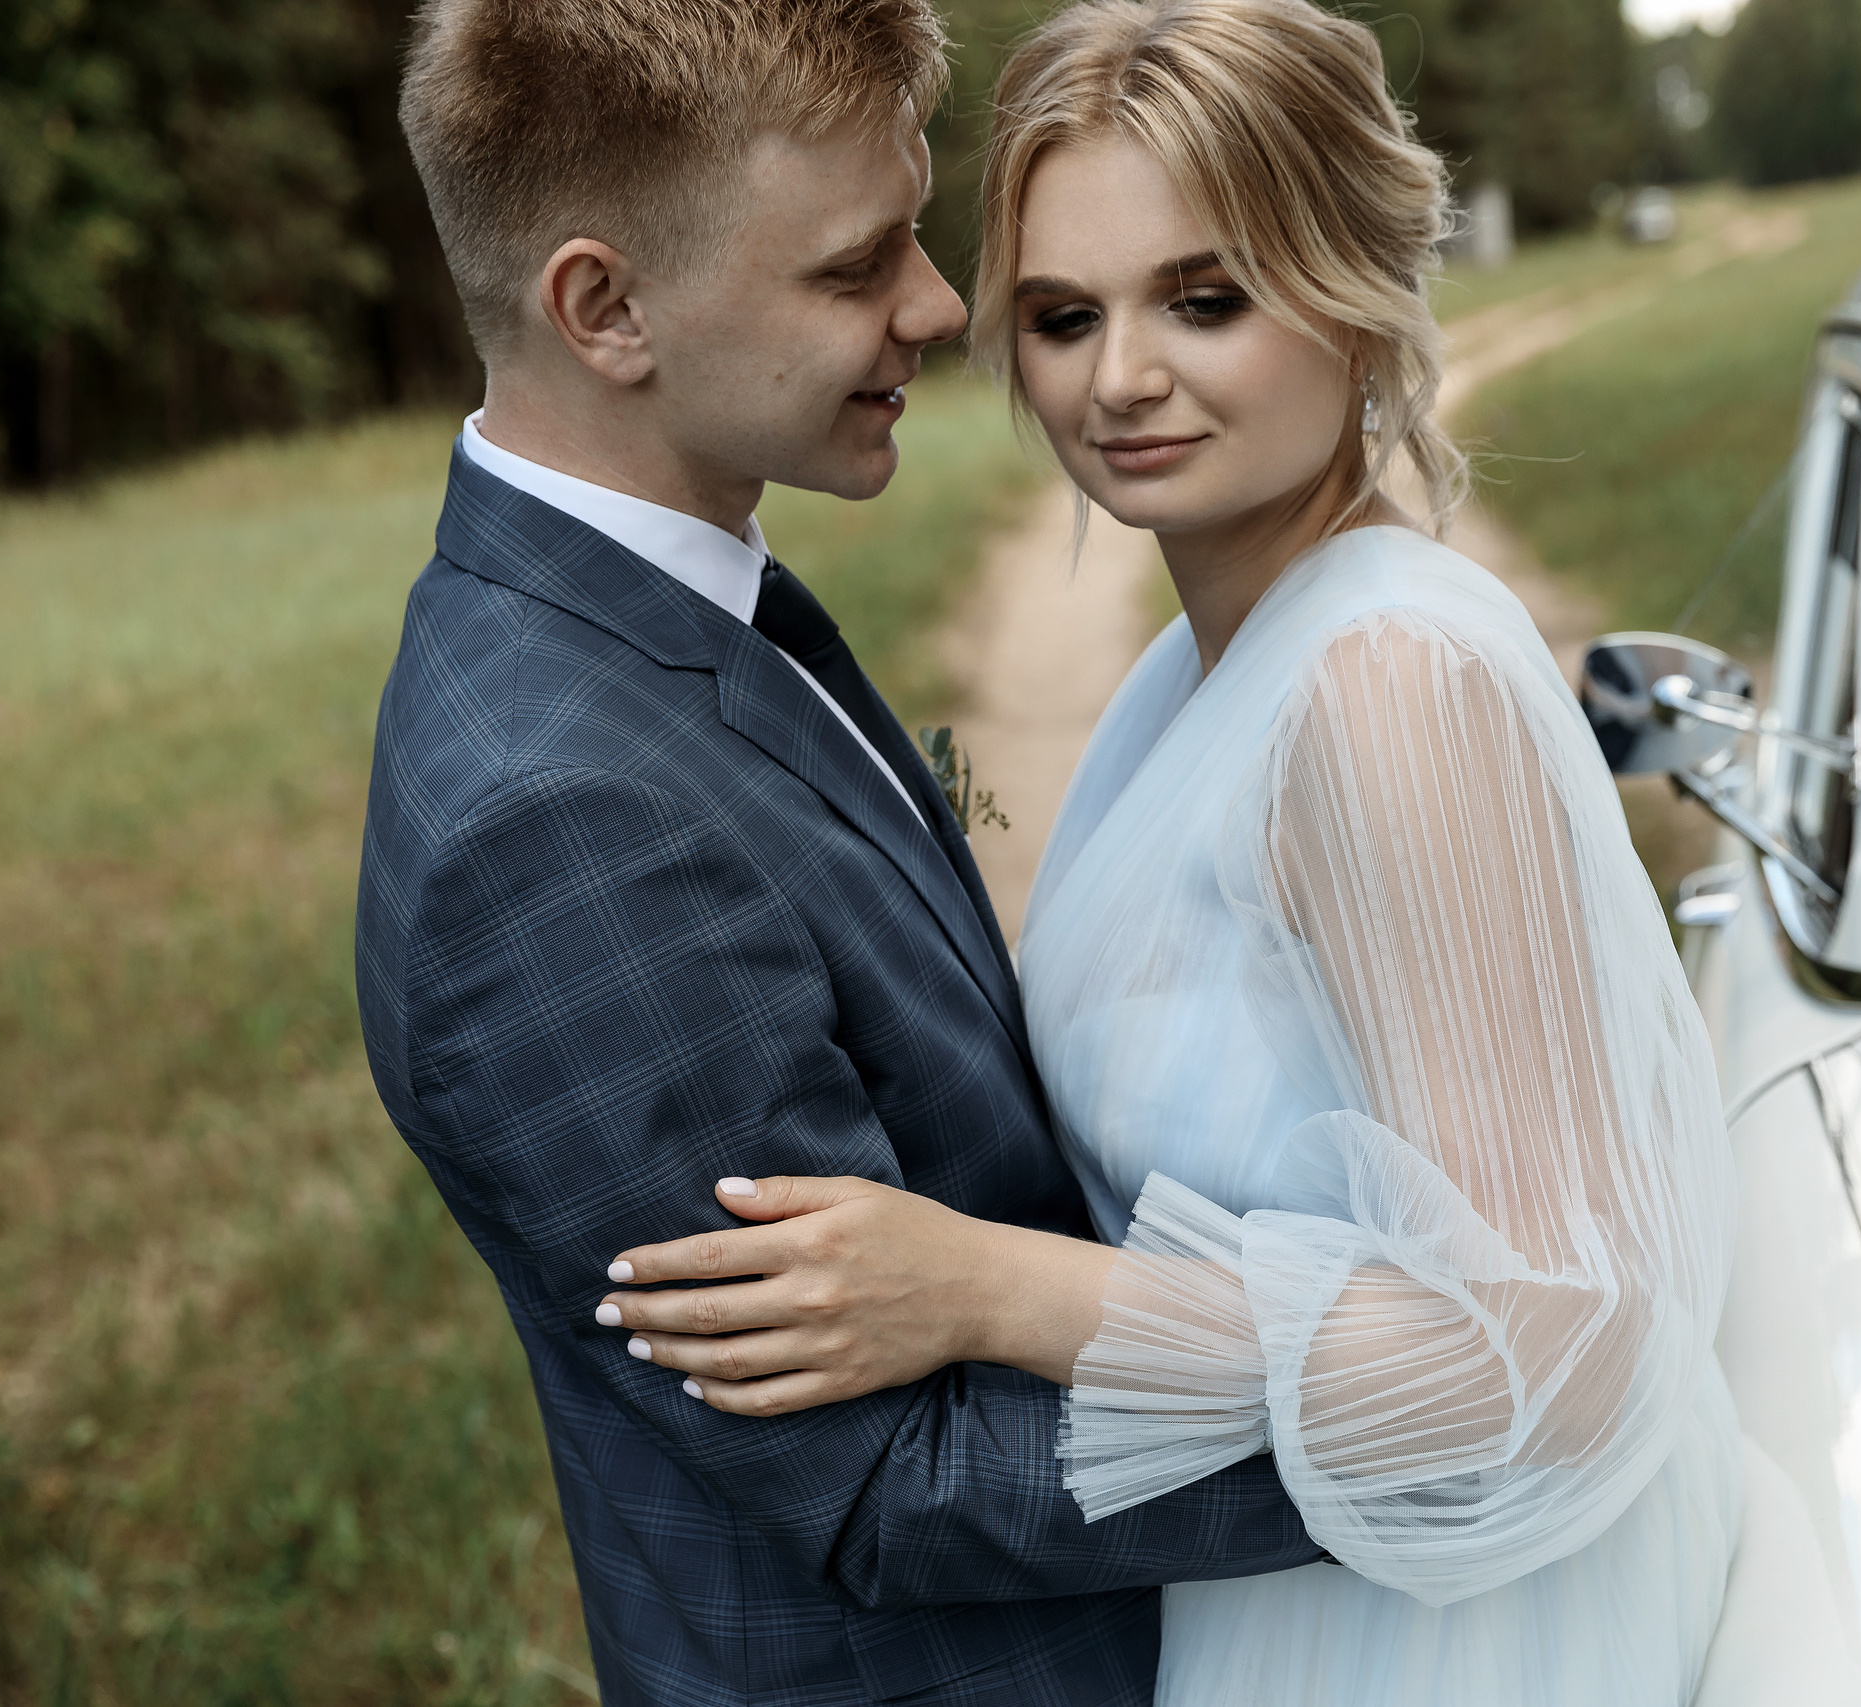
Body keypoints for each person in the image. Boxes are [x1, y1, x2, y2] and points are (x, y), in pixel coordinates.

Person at [600, 0, 1747, 1701]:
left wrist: (988, 1292)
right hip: (1272, 1585)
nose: (1120, 379)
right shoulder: (1190, 670)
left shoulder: (1383, 692)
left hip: (1446, 1638)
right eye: (1066, 317)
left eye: (1204, 300)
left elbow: (1556, 1354)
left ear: (1356, 290)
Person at [354, 2, 1330, 1703]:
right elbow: (887, 1481)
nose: (944, 309)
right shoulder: (559, 829)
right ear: (606, 308)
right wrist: (1433, 1428)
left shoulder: (666, 599)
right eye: (853, 266)